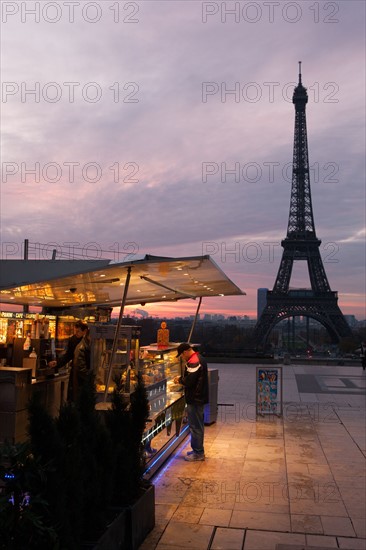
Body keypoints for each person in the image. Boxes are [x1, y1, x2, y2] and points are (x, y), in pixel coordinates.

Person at [174, 342, 209, 462]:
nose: (183, 358)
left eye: (182, 355)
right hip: (198, 397)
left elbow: (189, 381)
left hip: (195, 399)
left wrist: (179, 380)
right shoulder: (200, 358)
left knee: (195, 426)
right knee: (197, 425)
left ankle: (198, 453)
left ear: (185, 352)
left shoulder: (194, 361)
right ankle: (197, 450)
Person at [48, 320, 88, 400]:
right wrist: (57, 362)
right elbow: (68, 356)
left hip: (85, 374)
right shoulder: (73, 340)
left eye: (78, 331)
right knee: (73, 396)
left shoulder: (89, 342)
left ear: (85, 331)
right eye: (75, 331)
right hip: (75, 373)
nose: (76, 333)